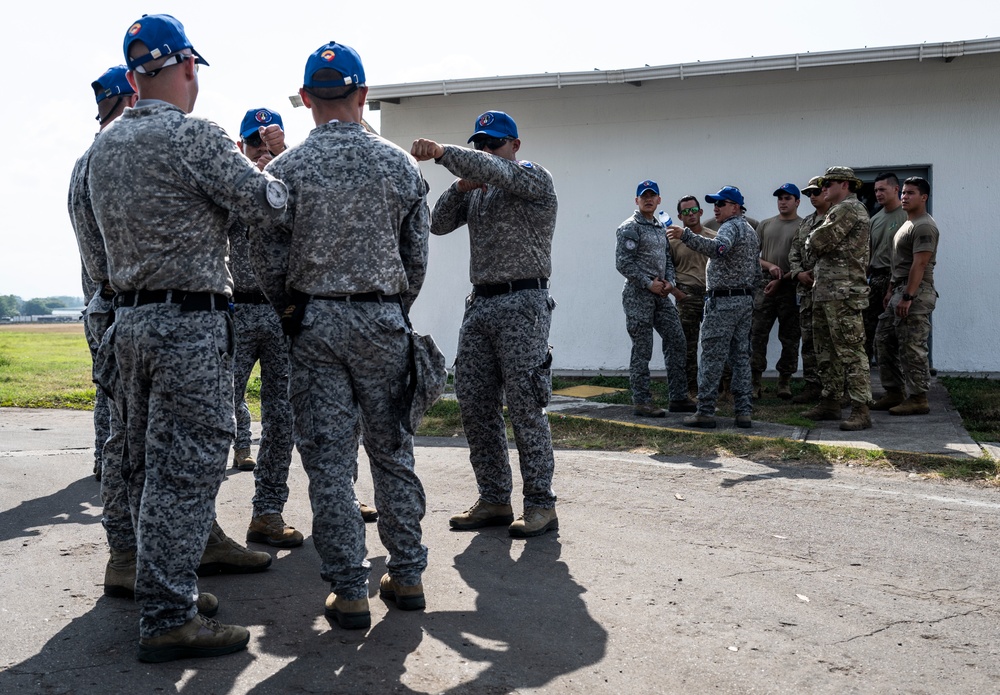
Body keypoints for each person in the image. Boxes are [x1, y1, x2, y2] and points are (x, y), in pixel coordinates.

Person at [80, 14, 289, 662]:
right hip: (188, 325)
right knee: (188, 466)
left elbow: (94, 251)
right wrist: (257, 166)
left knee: (140, 464)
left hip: (129, 322)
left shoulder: (102, 150)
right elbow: (269, 205)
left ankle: (157, 582)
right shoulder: (197, 138)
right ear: (186, 67)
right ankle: (169, 614)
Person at [251, 41, 430, 630]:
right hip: (383, 321)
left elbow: (265, 255)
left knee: (328, 461)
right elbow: (417, 257)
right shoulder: (399, 165)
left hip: (316, 324)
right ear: (363, 95)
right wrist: (391, 305)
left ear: (305, 99)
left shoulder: (285, 171)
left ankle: (349, 591)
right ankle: (406, 575)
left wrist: (290, 307)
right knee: (392, 451)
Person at [411, 110, 559, 538]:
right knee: (475, 405)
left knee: (526, 406)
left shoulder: (533, 178)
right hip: (481, 304)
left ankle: (540, 504)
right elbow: (437, 224)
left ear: (515, 145)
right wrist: (459, 186)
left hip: (523, 303)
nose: (486, 151)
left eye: (494, 143)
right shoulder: (476, 190)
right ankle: (494, 497)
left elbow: (495, 170)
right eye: (480, 144)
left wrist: (444, 154)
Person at [225, 107, 304, 549]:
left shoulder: (291, 179)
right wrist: (254, 179)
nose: (261, 151)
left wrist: (280, 164)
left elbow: (305, 221)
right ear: (241, 146)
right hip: (236, 311)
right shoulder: (231, 181)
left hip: (281, 314)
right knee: (219, 411)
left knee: (282, 417)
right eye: (253, 143)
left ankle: (268, 512)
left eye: (267, 143)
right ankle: (204, 526)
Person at [74, 67, 136, 484]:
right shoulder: (118, 156)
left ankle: (104, 463)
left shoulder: (84, 160)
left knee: (108, 398)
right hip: (121, 299)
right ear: (132, 98)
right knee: (129, 424)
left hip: (97, 299)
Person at [666, 186, 759, 429]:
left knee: (711, 356)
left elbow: (719, 249)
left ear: (736, 207)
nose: (716, 208)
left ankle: (705, 411)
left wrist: (685, 236)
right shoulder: (749, 230)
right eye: (715, 204)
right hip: (744, 301)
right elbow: (756, 271)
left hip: (724, 302)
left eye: (722, 203)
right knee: (740, 358)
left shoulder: (729, 227)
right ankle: (743, 412)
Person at [615, 180, 696, 416]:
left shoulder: (660, 227)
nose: (648, 199)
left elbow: (667, 259)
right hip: (639, 294)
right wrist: (649, 284)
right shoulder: (630, 227)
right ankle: (642, 400)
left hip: (661, 294)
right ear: (637, 200)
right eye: (644, 196)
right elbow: (623, 263)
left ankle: (678, 397)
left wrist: (669, 282)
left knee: (676, 339)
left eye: (653, 196)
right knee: (643, 348)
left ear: (659, 200)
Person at [802, 166, 873, 431]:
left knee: (851, 351)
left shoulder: (849, 209)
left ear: (845, 184)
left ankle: (860, 409)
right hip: (827, 292)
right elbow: (813, 247)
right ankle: (830, 402)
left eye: (828, 183)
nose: (823, 188)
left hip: (844, 294)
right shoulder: (837, 209)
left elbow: (817, 242)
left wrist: (811, 239)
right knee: (826, 351)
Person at [873, 177, 939, 415]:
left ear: (924, 197)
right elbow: (899, 263)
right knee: (883, 340)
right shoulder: (907, 224)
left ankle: (918, 397)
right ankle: (894, 392)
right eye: (903, 192)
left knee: (911, 346)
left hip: (915, 292)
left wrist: (908, 296)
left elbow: (919, 265)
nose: (904, 197)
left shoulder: (924, 226)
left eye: (911, 193)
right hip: (899, 290)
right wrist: (891, 290)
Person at [750, 184, 802, 399]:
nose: (783, 202)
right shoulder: (765, 225)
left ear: (797, 202)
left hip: (790, 285)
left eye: (787, 198)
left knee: (790, 336)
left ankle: (785, 382)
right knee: (757, 333)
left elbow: (804, 261)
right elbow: (753, 256)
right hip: (766, 284)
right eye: (780, 198)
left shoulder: (804, 226)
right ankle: (754, 382)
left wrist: (784, 276)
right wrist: (769, 266)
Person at [669, 196, 718, 397]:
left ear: (700, 212)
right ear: (680, 216)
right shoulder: (672, 240)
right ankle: (691, 389)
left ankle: (719, 388)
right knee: (688, 345)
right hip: (686, 296)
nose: (690, 215)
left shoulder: (713, 237)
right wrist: (676, 293)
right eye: (686, 212)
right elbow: (666, 270)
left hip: (711, 297)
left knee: (715, 344)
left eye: (693, 210)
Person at [785, 176, 828, 404]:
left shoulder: (837, 218)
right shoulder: (806, 223)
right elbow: (794, 252)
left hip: (829, 291)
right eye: (809, 193)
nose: (812, 196)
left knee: (830, 341)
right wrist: (798, 272)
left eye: (816, 192)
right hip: (806, 291)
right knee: (809, 340)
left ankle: (834, 390)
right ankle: (813, 385)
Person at [865, 173, 906, 364]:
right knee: (868, 329)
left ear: (896, 189)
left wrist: (892, 287)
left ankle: (900, 380)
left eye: (882, 189)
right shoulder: (874, 220)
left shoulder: (907, 216)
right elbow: (868, 254)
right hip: (875, 279)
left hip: (897, 281)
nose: (878, 194)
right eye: (875, 190)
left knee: (896, 332)